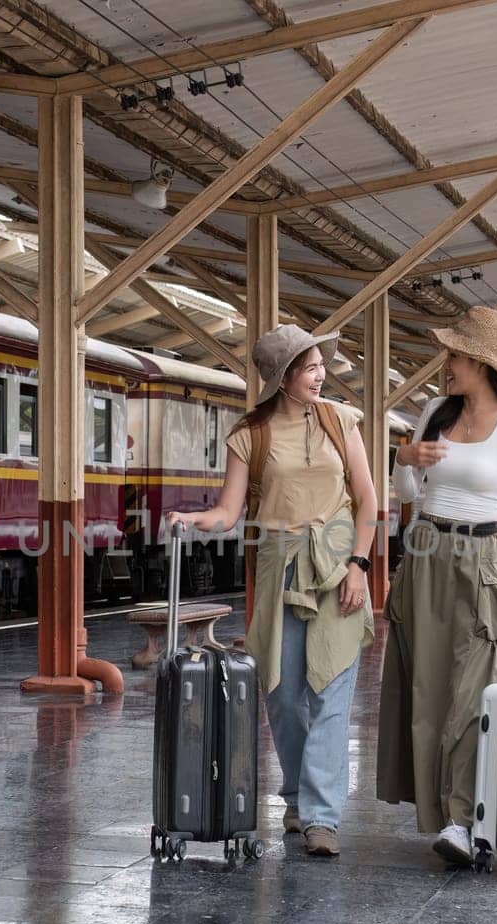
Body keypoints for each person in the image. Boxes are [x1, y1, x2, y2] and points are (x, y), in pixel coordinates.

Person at [167, 325, 377, 858]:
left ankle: (321, 817)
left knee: (331, 692)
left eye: (321, 365)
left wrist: (360, 565)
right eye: (309, 367)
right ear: (284, 378)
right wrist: (194, 519)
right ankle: (296, 798)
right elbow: (229, 512)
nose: (321, 374)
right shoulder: (251, 434)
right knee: (282, 695)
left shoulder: (341, 420)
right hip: (278, 566)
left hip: (336, 566)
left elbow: (370, 502)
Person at [376, 305, 497, 866]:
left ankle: (462, 816)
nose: (444, 363)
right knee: (427, 687)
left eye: (453, 355)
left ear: (479, 361)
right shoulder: (434, 410)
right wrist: (403, 457)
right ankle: (440, 815)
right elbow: (408, 490)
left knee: (474, 689)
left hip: (483, 556)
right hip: (426, 550)